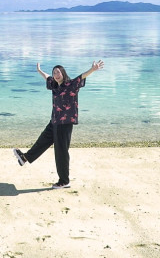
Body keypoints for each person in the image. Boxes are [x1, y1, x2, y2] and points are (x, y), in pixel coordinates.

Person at [13, 60, 104, 189]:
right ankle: (25, 158)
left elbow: (82, 76)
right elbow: (47, 77)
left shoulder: (71, 84)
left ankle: (64, 181)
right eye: (54, 72)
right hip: (55, 121)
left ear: (63, 73)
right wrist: (39, 71)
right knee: (43, 140)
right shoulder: (54, 86)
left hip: (65, 123)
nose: (56, 74)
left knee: (61, 152)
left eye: (58, 72)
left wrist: (92, 69)